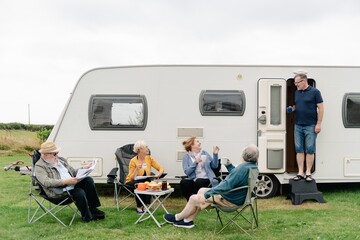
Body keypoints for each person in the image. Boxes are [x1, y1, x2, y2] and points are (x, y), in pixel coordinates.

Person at [164, 144, 259, 229]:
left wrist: (208, 194)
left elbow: (226, 185)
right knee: (201, 190)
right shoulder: (253, 167)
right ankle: (187, 221)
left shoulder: (242, 168)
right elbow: (237, 177)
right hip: (238, 198)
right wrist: (229, 166)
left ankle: (177, 217)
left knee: (193, 198)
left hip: (229, 200)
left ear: (243, 155)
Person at [34, 141, 105, 222]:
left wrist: (84, 168)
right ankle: (87, 216)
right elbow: (46, 182)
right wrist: (65, 181)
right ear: (45, 154)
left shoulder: (61, 160)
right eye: (54, 153)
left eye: (57, 152)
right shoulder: (39, 166)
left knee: (88, 180)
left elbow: (73, 172)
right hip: (58, 191)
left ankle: (93, 209)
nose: (57, 155)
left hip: (71, 184)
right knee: (79, 191)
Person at [288, 73, 324, 182]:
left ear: (304, 81)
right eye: (295, 83)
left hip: (311, 125)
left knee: (310, 149)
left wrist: (319, 124)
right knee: (299, 149)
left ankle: (308, 172)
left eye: (297, 83)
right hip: (298, 125)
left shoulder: (315, 92)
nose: (295, 85)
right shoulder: (296, 93)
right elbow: (297, 106)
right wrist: (292, 109)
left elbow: (321, 108)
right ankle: (300, 173)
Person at [125, 140, 164, 214]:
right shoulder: (133, 161)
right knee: (141, 185)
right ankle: (139, 207)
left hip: (144, 181)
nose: (147, 148)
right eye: (146, 147)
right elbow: (132, 177)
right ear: (140, 149)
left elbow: (160, 167)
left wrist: (159, 173)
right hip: (131, 181)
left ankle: (146, 205)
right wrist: (136, 169)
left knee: (148, 183)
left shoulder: (149, 158)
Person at [180, 136, 220, 201]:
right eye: (197, 141)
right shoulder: (186, 157)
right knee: (184, 182)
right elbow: (187, 172)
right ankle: (190, 201)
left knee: (199, 181)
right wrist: (196, 162)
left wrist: (215, 154)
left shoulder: (204, 153)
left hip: (206, 179)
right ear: (192, 145)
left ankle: (195, 202)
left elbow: (214, 166)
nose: (200, 143)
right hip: (194, 179)